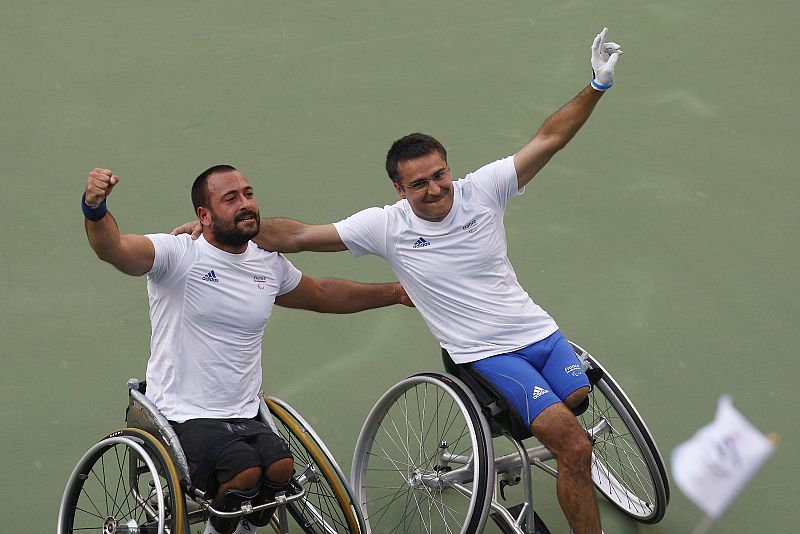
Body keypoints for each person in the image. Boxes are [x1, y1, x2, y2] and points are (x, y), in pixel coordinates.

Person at [175, 27, 621, 533]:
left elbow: (550, 138)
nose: (435, 189)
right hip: (485, 353)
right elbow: (297, 235)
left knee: (579, 401)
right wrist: (215, 229)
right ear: (398, 188)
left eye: (439, 174)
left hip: (538, 331)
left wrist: (596, 86)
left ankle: (552, 457)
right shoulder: (386, 226)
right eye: (419, 183)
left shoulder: (485, 189)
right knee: (575, 446)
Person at [82, 164, 412, 534]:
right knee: (244, 472)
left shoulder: (266, 262)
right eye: (231, 198)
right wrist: (95, 208)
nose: (245, 203)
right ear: (203, 216)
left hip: (243, 410)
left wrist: (395, 293)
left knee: (281, 469)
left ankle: (235, 523)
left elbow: (320, 293)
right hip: (183, 413)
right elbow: (113, 248)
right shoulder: (178, 255)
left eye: (248, 194)